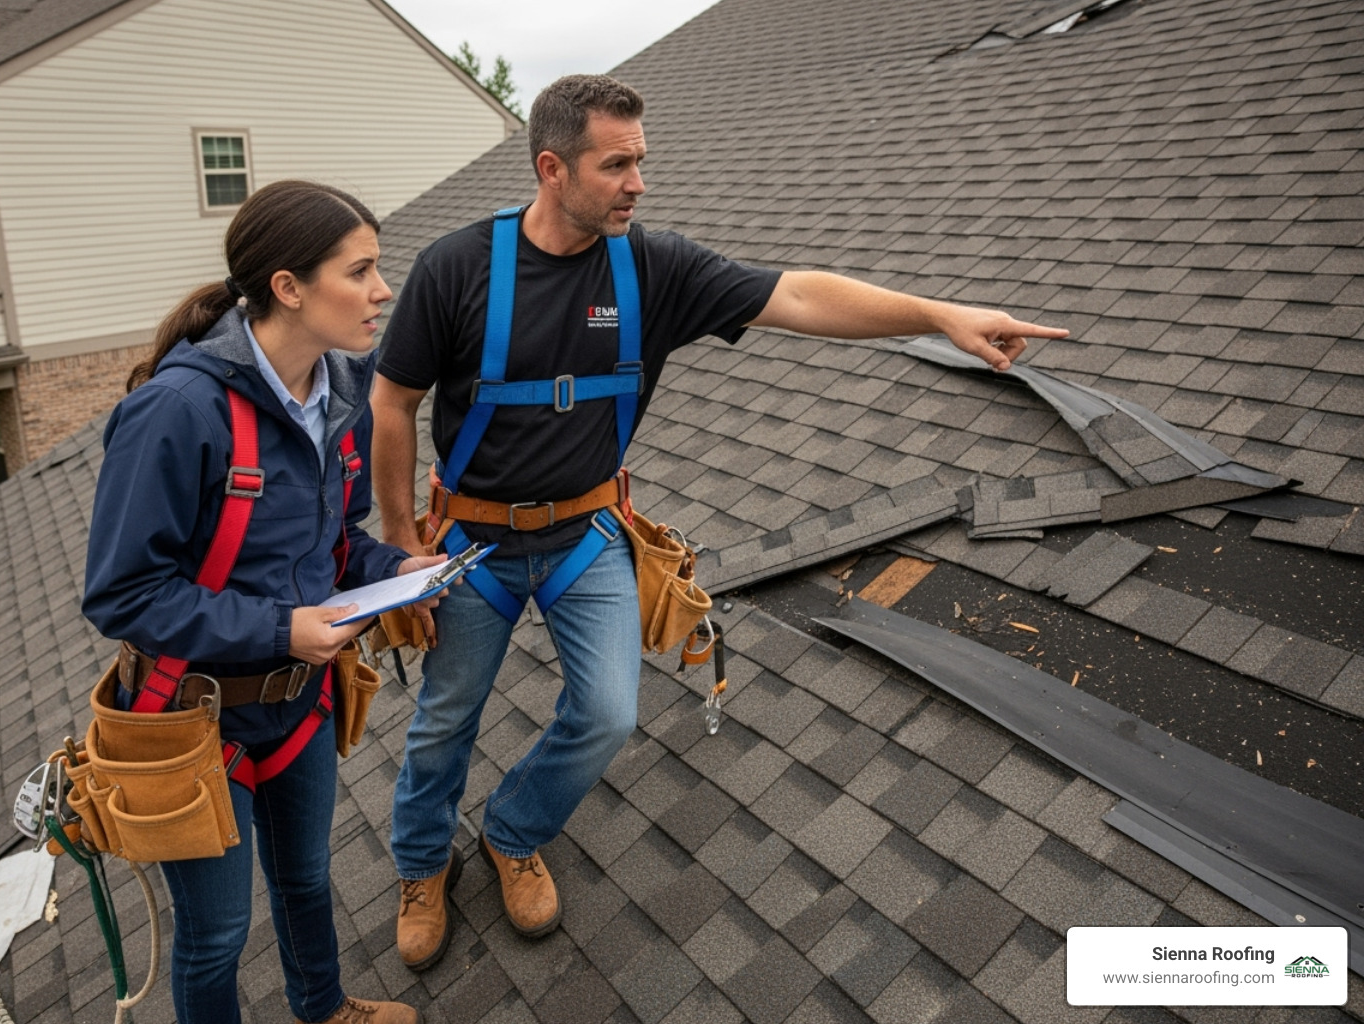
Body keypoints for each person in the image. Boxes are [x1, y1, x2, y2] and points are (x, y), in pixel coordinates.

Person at [370, 75, 1068, 970]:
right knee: (443, 722)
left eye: (641, 161)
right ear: (552, 168)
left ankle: (512, 832)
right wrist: (399, 538)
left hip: (585, 536)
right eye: (616, 164)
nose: (638, 183)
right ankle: (424, 867)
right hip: (473, 546)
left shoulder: (650, 269)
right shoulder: (460, 268)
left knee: (609, 711)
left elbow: (802, 298)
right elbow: (393, 403)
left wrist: (936, 315)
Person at [83, 180, 440, 1024]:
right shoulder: (177, 413)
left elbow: (331, 543)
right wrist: (280, 626)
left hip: (298, 707)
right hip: (190, 721)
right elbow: (121, 592)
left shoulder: (343, 397)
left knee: (307, 879)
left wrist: (405, 569)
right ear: (288, 287)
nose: (382, 291)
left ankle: (323, 1009)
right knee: (215, 935)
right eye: (360, 272)